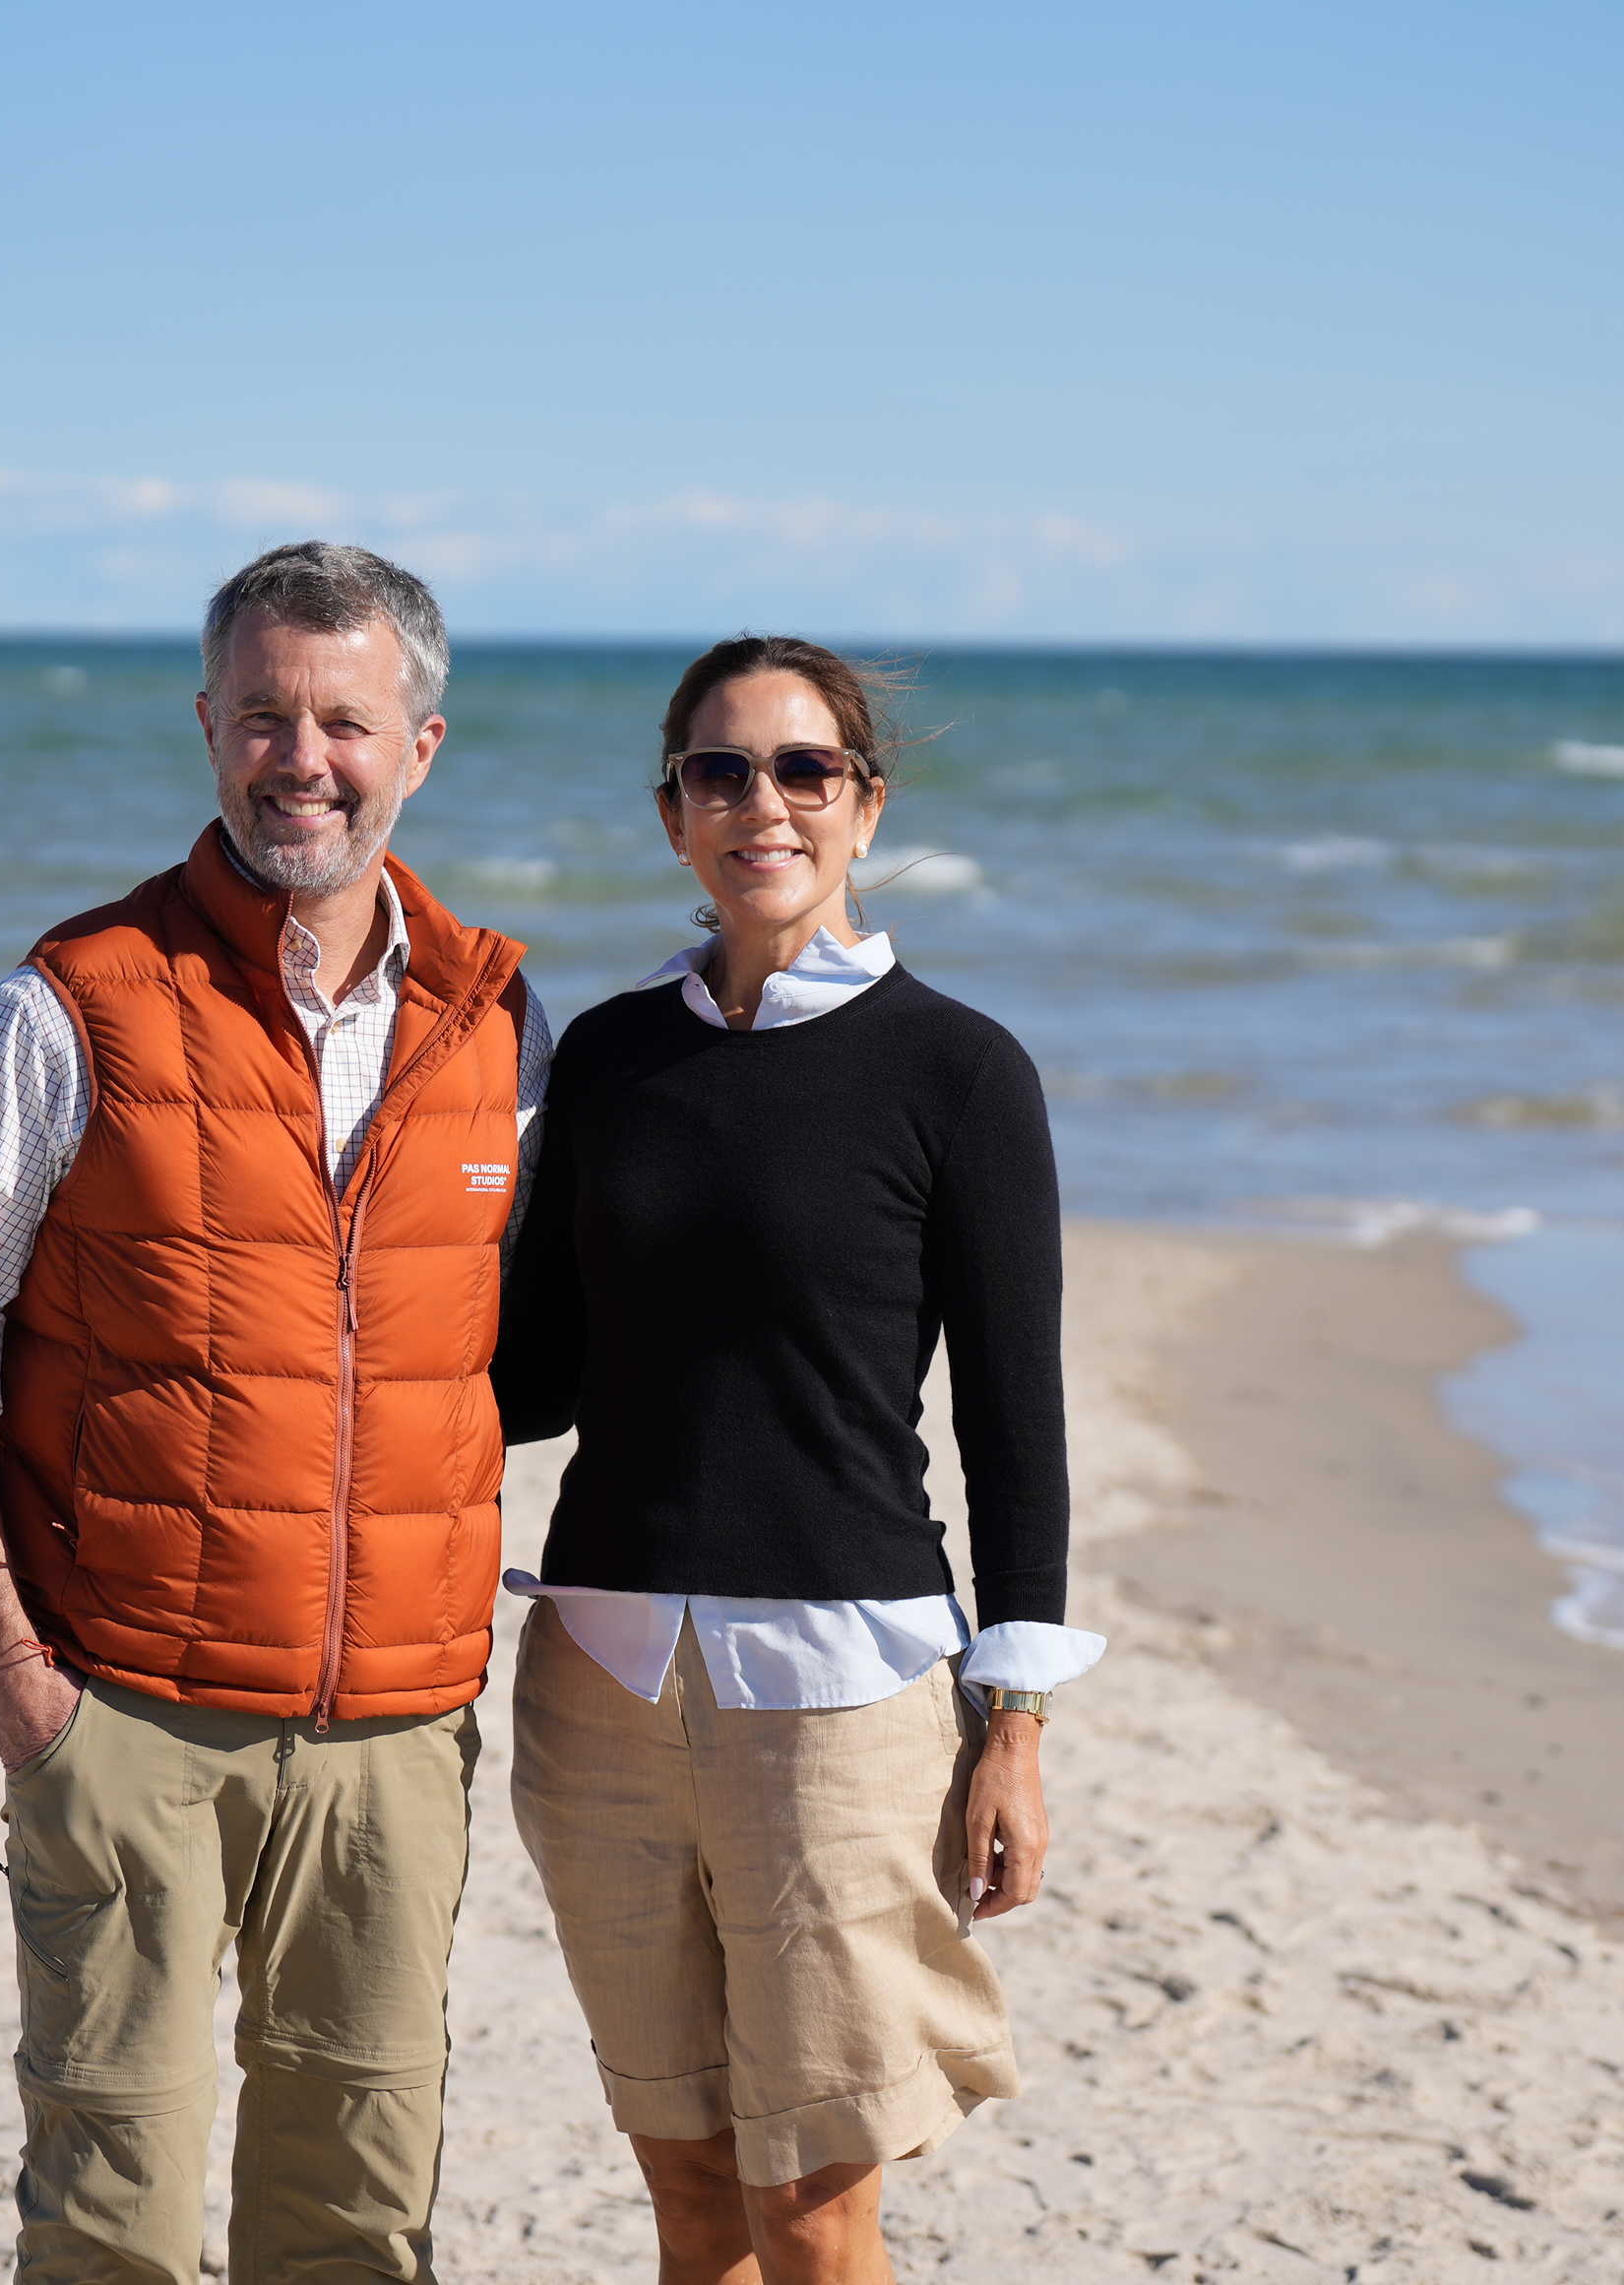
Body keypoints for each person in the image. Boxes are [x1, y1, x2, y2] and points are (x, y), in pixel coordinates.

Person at [0, 542, 550, 2284]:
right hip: (128, 1713)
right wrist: (15, 1677)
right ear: (207, 727)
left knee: (357, 2221)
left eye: (342, 722)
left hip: (398, 1734)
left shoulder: (504, 1025)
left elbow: (515, 1348)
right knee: (117, 2222)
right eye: (261, 718)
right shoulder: (68, 999)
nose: (299, 760)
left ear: (423, 745)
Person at [491, 636, 1101, 2285]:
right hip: (596, 1685)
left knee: (818, 2209)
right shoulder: (608, 1060)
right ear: (674, 813)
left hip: (843, 1701)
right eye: (721, 771)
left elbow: (1014, 1425)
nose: (763, 802)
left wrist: (1015, 1726)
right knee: (688, 2190)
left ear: (865, 803)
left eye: (803, 769)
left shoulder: (959, 1073)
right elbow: (527, 1379)